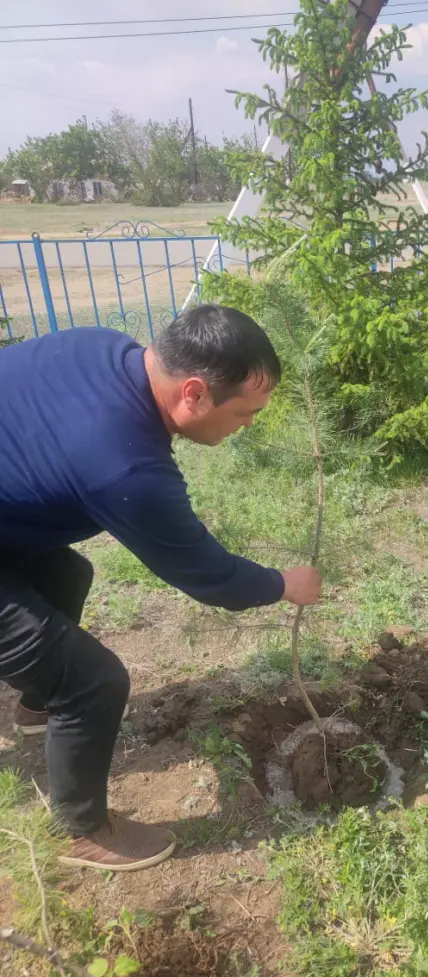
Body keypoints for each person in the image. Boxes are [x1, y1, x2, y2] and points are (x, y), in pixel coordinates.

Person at [0, 306, 322, 872]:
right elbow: (209, 575)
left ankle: (36, 702)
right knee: (93, 682)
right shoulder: (124, 466)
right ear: (194, 393)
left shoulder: (100, 347)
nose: (247, 426)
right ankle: (80, 831)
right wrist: (283, 583)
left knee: (67, 575)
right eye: (245, 413)